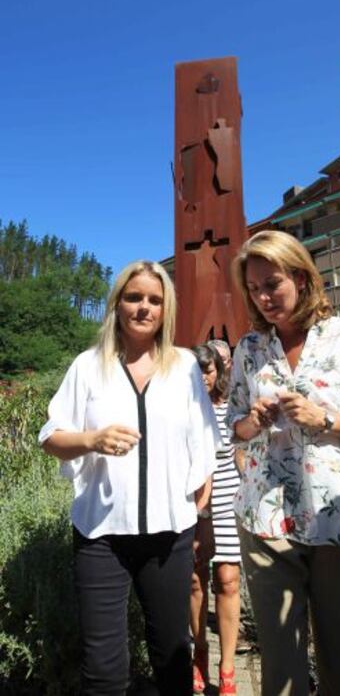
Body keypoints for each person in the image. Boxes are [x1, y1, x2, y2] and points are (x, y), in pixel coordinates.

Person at [226, 230, 340, 696]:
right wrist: (254, 421)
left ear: (301, 278)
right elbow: (234, 427)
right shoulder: (249, 349)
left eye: (272, 283)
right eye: (254, 288)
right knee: (281, 676)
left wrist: (326, 418)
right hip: (266, 522)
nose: (263, 297)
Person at [39, 260, 219, 696]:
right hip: (101, 536)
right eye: (134, 297)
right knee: (103, 668)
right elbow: (50, 436)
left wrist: (199, 508)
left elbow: (205, 440)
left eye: (154, 300)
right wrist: (91, 439)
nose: (144, 307)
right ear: (117, 303)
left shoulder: (184, 368)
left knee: (172, 653)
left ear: (166, 309)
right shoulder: (87, 366)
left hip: (169, 536)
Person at [191, 343, 241, 696]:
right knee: (194, 584)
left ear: (218, 371)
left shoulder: (229, 409)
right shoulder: (183, 409)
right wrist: (198, 513)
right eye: (198, 371)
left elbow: (241, 456)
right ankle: (199, 653)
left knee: (227, 580)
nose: (205, 376)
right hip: (192, 507)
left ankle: (226, 668)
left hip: (227, 504)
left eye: (209, 369)